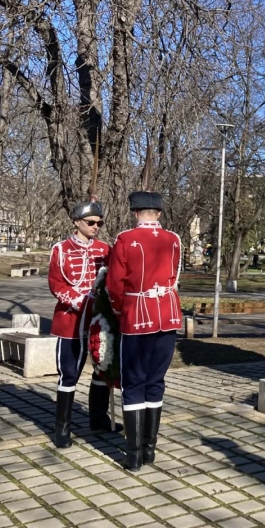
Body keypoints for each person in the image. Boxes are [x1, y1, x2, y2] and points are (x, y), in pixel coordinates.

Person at [106, 191, 182, 471]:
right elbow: (174, 276)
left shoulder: (125, 239)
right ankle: (150, 450)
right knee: (156, 381)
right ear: (159, 213)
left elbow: (115, 284)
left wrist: (118, 310)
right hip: (168, 317)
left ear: (135, 213)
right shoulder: (174, 240)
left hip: (137, 316)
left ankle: (134, 454)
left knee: (133, 383)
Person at [49, 200, 112, 448]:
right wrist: (81, 301)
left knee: (102, 368)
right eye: (91, 222)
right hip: (71, 320)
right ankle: (62, 428)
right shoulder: (61, 249)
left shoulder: (105, 250)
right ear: (77, 222)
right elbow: (56, 284)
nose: (96, 226)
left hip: (99, 320)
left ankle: (98, 418)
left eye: (99, 223)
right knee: (69, 373)